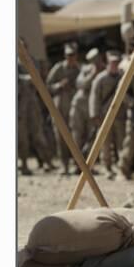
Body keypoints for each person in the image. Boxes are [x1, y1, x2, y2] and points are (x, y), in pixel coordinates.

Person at [89, 50, 126, 179]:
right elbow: (94, 97)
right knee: (105, 142)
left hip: (120, 115)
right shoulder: (101, 78)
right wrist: (94, 114)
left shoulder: (123, 77)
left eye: (116, 62)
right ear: (108, 63)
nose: (114, 65)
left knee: (121, 141)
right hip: (104, 115)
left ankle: (122, 166)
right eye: (112, 62)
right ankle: (107, 167)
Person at [46, 42, 80, 175]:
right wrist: (59, 85)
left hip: (74, 109)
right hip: (59, 108)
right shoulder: (58, 68)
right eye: (68, 55)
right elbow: (48, 86)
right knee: (60, 138)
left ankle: (77, 165)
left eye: (72, 55)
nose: (70, 58)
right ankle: (64, 165)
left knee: (76, 137)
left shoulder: (79, 69)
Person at [68, 47, 104, 171]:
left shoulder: (104, 70)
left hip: (93, 108)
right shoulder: (85, 69)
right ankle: (76, 164)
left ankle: (88, 165)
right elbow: (80, 84)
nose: (97, 61)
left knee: (91, 136)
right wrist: (92, 74)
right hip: (80, 106)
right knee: (77, 135)